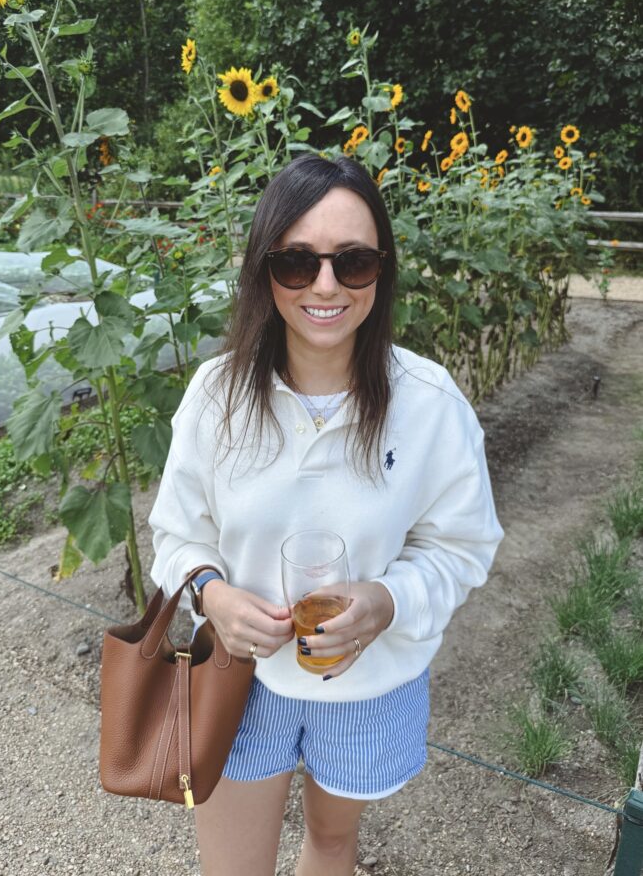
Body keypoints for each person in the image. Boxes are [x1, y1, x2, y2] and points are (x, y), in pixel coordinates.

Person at [149, 152, 504, 876]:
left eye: (353, 262)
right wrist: (211, 595)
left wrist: (386, 600)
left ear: (382, 270)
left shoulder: (429, 403)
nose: (324, 285)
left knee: (334, 842)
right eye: (296, 262)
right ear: (263, 269)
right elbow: (178, 532)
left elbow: (461, 546)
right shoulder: (217, 394)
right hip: (239, 675)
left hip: (369, 683)